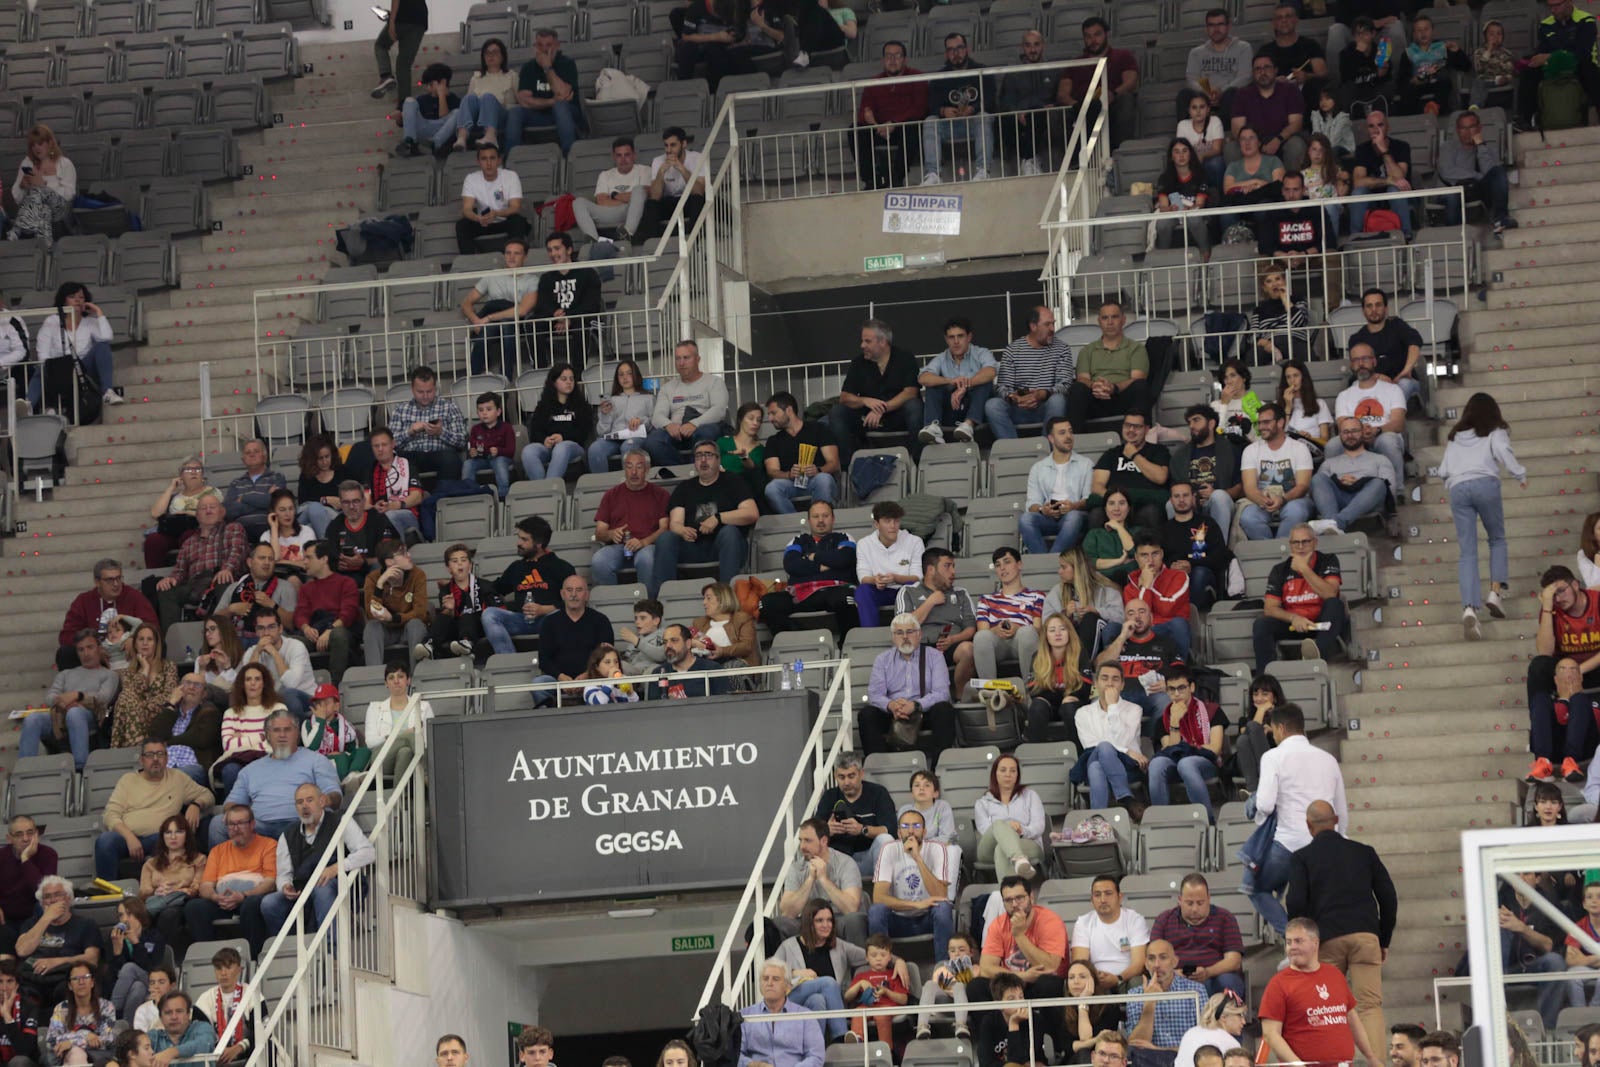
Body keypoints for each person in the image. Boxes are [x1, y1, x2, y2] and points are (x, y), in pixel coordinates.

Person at [1285, 799, 1397, 1044]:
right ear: (1336, 821)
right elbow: (1388, 897)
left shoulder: (1302, 858)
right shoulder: (1364, 852)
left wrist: (1305, 941)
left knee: (1326, 1007)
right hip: (1366, 936)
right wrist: (1383, 938)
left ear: (1308, 825)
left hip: (1326, 941)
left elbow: (1295, 903)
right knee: (1369, 1006)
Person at [1246, 703, 1347, 935]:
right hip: (1325, 846)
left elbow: (1264, 804)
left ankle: (1293, 937)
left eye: (1272, 730)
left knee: (1255, 886)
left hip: (1289, 844)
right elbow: (1340, 809)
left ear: (1280, 728)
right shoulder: (1328, 759)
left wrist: (1259, 818)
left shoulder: (1273, 756)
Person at [248, 783, 375, 953]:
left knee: (322, 888)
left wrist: (336, 868)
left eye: (310, 800)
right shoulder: (288, 834)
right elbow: (284, 874)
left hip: (339, 885)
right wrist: (285, 886)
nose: (304, 806)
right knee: (269, 903)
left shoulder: (340, 820)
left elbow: (368, 852)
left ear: (322, 801)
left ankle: (332, 953)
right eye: (299, 802)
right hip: (303, 890)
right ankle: (292, 951)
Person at [1438, 393, 1525, 641]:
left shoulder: (1455, 436)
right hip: (1485, 483)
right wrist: (1520, 474)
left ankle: (1469, 608)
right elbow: (1503, 452)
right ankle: (1495, 593)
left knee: (1467, 551)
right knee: (1497, 538)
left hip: (1458, 489)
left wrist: (1455, 479)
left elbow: (1443, 470)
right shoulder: (1494, 430)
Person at [212, 710, 343, 848]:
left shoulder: (316, 760)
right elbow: (231, 804)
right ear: (267, 735)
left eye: (287, 730)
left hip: (301, 823)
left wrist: (323, 801)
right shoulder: (250, 770)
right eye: (276, 730)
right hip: (258, 828)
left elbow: (335, 796)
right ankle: (231, 868)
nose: (282, 735)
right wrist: (236, 814)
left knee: (329, 818)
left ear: (297, 733)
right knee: (217, 824)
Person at [1260, 917, 1379, 1067]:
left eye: (1298, 941)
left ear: (1315, 943)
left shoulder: (1334, 975)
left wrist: (1370, 1056)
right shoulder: (1278, 984)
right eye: (1288, 942)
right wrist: (1298, 1065)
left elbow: (1351, 1017)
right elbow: (1270, 1034)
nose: (1292, 947)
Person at [95, 739, 209, 882]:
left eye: (160, 754)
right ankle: (107, 894)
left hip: (159, 837)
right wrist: (130, 837)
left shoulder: (178, 778)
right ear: (142, 759)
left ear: (167, 758)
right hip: (127, 837)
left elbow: (207, 795)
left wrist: (196, 804)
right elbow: (110, 815)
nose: (155, 759)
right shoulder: (128, 780)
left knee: (167, 839)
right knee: (105, 841)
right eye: (150, 755)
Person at [970, 877, 1067, 1043]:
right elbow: (986, 968)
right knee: (976, 986)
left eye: (1019, 898)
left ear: (1031, 897)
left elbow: (1051, 966)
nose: (1014, 904)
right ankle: (995, 1044)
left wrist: (1019, 935)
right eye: (1008, 900)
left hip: (1041, 984)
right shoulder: (998, 925)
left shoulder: (1050, 921)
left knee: (1048, 983)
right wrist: (1021, 976)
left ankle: (1052, 1044)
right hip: (1014, 984)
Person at [653, 441, 758, 593]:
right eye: (699, 456)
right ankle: (665, 597)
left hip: (724, 546)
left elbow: (751, 513)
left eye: (708, 455)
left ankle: (726, 596)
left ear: (718, 460)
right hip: (692, 546)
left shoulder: (733, 481)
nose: (703, 460)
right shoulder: (684, 488)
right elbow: (675, 523)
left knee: (729, 532)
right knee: (666, 538)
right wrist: (682, 530)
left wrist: (718, 518)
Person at [860, 613, 958, 767]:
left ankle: (938, 769)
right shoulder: (882, 660)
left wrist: (916, 705)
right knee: (867, 715)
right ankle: (879, 769)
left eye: (910, 632)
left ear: (919, 635)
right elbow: (875, 694)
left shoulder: (934, 657)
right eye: (899, 633)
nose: (905, 637)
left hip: (923, 711)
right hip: (894, 712)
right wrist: (891, 705)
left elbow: (942, 693)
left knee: (944, 710)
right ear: (893, 637)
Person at [1253, 523, 1347, 671]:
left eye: (1306, 541)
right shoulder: (1279, 570)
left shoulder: (1328, 560)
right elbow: (1270, 608)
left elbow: (1330, 594)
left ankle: (1316, 658)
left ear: (1315, 542)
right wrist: (1294, 618)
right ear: (1290, 545)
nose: (1301, 546)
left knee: (1335, 604)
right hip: (1293, 625)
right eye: (1296, 542)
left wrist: (1304, 569)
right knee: (1261, 623)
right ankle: (1265, 677)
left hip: (1321, 625)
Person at [22, 630, 119, 770]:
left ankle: (80, 767)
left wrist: (77, 696)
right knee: (32, 719)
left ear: (99, 648)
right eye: (81, 649)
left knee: (75, 713)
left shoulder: (109, 675)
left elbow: (103, 698)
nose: (86, 653)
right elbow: (50, 697)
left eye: (90, 647)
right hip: (61, 715)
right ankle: (25, 769)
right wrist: (64, 701)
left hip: (90, 716)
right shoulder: (66, 674)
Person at [154, 491, 248, 635]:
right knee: (165, 590)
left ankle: (223, 636)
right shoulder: (188, 543)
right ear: (197, 515)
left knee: (224, 581)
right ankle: (172, 640)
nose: (208, 510)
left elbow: (237, 552)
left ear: (222, 512)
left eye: (212, 507)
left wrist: (227, 569)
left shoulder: (233, 528)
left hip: (220, 580)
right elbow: (179, 571)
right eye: (203, 508)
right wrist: (171, 579)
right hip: (195, 585)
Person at [828, 319, 922, 462]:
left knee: (914, 406)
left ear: (883, 342)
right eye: (862, 341)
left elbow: (911, 392)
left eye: (867, 341)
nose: (862, 345)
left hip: (898, 416)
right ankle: (849, 466)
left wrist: (882, 408)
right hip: (867, 419)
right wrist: (865, 400)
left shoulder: (905, 358)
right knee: (837, 412)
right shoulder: (858, 363)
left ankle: (918, 461)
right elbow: (845, 397)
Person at [183, 805, 276, 949]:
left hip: (250, 898)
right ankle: (209, 956)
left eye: (241, 823)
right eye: (231, 824)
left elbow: (270, 883)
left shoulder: (269, 845)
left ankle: (253, 956)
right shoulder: (217, 851)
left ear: (252, 824)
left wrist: (243, 895)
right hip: (222, 900)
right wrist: (215, 897)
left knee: (251, 905)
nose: (236, 828)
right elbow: (205, 885)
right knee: (194, 907)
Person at [868, 808, 953, 960]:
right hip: (898, 919)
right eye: (905, 827)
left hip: (927, 918)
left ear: (925, 832)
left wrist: (918, 859)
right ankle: (882, 968)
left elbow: (941, 895)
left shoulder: (937, 849)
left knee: (943, 908)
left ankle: (944, 967)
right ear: (899, 833)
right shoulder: (889, 849)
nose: (911, 831)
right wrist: (917, 904)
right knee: (876, 911)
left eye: (917, 826)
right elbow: (878, 897)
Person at [482, 515, 574, 654]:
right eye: (519, 538)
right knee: (489, 614)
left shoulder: (561, 567)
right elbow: (496, 587)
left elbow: (574, 601)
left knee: (561, 617)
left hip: (549, 620)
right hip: (520, 619)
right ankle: (510, 662)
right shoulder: (516, 567)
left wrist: (544, 609)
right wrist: (465, 581)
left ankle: (554, 661)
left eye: (524, 539)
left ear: (539, 544)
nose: (518, 543)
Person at [895, 549, 978, 701]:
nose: (953, 572)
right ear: (931, 570)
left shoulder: (961, 593)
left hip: (952, 645)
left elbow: (971, 628)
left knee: (968, 649)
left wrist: (953, 639)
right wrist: (930, 602)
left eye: (953, 566)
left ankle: (961, 698)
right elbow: (903, 627)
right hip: (921, 647)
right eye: (947, 566)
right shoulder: (908, 591)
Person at [772, 901, 861, 1042]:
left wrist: (897, 961)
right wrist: (795, 972)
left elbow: (870, 956)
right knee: (828, 983)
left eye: (829, 920)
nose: (826, 925)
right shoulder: (789, 945)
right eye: (820, 920)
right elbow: (770, 974)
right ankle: (841, 1037)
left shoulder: (838, 946)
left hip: (814, 1006)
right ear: (809, 923)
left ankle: (815, 1051)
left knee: (817, 1000)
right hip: (791, 1000)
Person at [1147, 664, 1226, 821]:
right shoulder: (1163, 719)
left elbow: (1215, 749)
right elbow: (1171, 751)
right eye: (1171, 689)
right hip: (1175, 765)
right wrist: (1175, 722)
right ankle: (1160, 822)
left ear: (1192, 687)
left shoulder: (1212, 710)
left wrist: (1186, 749)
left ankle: (1207, 821)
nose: (1177, 694)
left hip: (1205, 764)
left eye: (1181, 688)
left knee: (1186, 763)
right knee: (1156, 764)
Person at [1151, 874, 1246, 1001]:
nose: (1195, 909)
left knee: (1228, 981)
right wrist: (1172, 973)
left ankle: (1227, 1019)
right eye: (1189, 903)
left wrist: (1208, 972)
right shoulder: (1164, 920)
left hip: (1215, 977)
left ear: (1209, 898)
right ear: (1179, 900)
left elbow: (1234, 960)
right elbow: (1152, 956)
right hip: (1175, 979)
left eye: (1200, 903)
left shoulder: (1225, 918)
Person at [1071, 663, 1148, 817]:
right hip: (1100, 754)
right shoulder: (1082, 713)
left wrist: (1113, 707)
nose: (1110, 683)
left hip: (1126, 765)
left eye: (1115, 679)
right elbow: (1091, 745)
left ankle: (1098, 819)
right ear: (1096, 683)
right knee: (1102, 749)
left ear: (1122, 684)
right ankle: (1126, 798)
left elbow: (1124, 739)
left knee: (1096, 767)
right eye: (1104, 678)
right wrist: (1127, 750)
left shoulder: (1134, 709)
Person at [989, 306, 1073, 441]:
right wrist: (1015, 398)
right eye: (1047, 324)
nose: (1052, 329)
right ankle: (1014, 452)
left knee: (1058, 400)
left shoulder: (1062, 349)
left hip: (1046, 408)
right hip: (1018, 408)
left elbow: (1065, 385)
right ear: (1033, 326)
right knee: (992, 405)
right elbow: (1002, 387)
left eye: (1053, 323)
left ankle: (1047, 449)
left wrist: (1042, 394)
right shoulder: (1013, 350)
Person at [590, 450, 670, 591]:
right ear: (624, 469)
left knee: (647, 559)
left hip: (647, 545)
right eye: (629, 466)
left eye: (639, 467)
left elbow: (665, 528)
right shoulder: (611, 495)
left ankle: (649, 606)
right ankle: (611, 606)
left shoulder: (660, 494)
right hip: (620, 547)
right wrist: (611, 534)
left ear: (647, 469)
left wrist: (643, 542)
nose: (633, 472)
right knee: (599, 560)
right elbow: (599, 533)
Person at [1095, 598, 1183, 727]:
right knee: (1097, 701)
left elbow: (1181, 673)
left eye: (1142, 612)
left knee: (1166, 701)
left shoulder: (1166, 642)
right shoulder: (1117, 642)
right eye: (1131, 613)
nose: (1137, 616)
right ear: (1125, 620)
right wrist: (1122, 637)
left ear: (1151, 618)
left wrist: (1168, 684)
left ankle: (1155, 742)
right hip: (1119, 693)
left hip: (1153, 694)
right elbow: (1099, 665)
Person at [35, 281, 118, 416]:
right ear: (64, 300)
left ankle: (108, 392)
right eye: (73, 297)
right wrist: (51, 369)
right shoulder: (52, 321)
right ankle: (33, 405)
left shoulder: (90, 322)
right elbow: (42, 352)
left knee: (102, 346)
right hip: (59, 367)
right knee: (40, 368)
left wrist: (98, 312)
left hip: (83, 367)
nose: (78, 300)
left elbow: (107, 337)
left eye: (81, 297)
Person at [921, 33, 994, 184]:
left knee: (984, 117)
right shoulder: (939, 77)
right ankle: (933, 174)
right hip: (949, 125)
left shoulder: (982, 71)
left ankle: (983, 170)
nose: (956, 53)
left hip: (973, 123)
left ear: (967, 49)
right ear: (946, 53)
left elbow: (992, 100)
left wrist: (973, 109)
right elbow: (930, 105)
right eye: (951, 50)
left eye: (959, 48)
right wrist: (943, 111)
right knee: (930, 121)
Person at [58, 560, 157, 672]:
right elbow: (66, 636)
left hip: (128, 654)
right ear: (97, 582)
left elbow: (152, 626)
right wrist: (94, 648)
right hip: (98, 657)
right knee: (65, 652)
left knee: (155, 644)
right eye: (109, 580)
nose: (116, 584)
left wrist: (134, 640)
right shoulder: (83, 601)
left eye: (118, 578)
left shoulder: (133, 596)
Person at [1066, 302, 1150, 434]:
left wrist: (1113, 388)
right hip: (1095, 399)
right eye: (1105, 318)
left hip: (1123, 398)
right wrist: (1096, 386)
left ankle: (1142, 437)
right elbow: (1082, 379)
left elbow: (1137, 378)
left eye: (1115, 317)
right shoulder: (1087, 351)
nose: (1110, 322)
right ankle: (1075, 441)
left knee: (1141, 386)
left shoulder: (1136, 348)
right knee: (1077, 388)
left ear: (1123, 320)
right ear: (1099, 321)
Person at [777, 821, 864, 946]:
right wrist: (810, 880)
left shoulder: (845, 863)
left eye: (808, 840)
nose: (802, 846)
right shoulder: (797, 868)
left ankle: (860, 964)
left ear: (823, 841)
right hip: (808, 922)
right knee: (780, 923)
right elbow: (788, 912)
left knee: (855, 920)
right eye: (800, 840)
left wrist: (823, 879)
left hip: (837, 919)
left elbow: (851, 908)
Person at [15, 877, 101, 1005]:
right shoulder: (31, 924)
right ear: (41, 902)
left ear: (68, 898)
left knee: (66, 990)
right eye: (47, 897)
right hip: (33, 980)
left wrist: (57, 962)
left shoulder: (86, 924)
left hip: (66, 979)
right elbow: (22, 950)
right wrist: (46, 919)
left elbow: (92, 959)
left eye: (58, 895)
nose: (52, 900)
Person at [1237, 402, 1313, 542]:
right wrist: (1262, 500)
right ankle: (1272, 551)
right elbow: (1249, 487)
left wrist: (1283, 499)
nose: (1261, 427)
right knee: (1248, 517)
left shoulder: (1299, 448)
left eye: (1266, 422)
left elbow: (1302, 486)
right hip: (1263, 501)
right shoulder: (1251, 450)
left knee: (1296, 512)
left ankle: (1280, 551)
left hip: (1293, 500)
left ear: (1280, 422)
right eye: (1259, 423)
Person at [643, 340, 728, 465]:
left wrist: (694, 424)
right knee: (652, 442)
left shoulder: (714, 382)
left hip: (702, 427)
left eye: (686, 358)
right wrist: (669, 425)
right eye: (678, 359)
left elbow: (719, 410)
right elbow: (657, 416)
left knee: (706, 433)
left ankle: (696, 472)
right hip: (675, 431)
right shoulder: (668, 388)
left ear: (698, 359)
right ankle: (681, 471)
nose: (681, 363)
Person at [813, 753, 896, 880]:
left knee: (885, 839)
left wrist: (862, 829)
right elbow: (813, 832)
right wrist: (827, 830)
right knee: (814, 843)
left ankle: (882, 891)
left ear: (861, 774)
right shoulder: (829, 796)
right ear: (835, 776)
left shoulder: (878, 793)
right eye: (841, 777)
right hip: (838, 860)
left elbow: (891, 830)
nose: (846, 782)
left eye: (851, 776)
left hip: (869, 856)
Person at [460, 241, 538, 377]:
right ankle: (474, 377)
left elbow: (522, 310)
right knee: (485, 332)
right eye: (508, 253)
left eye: (517, 253)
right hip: (492, 322)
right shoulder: (492, 275)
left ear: (525, 256)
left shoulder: (532, 280)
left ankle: (505, 377)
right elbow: (466, 302)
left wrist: (489, 317)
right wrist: (476, 320)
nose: (511, 257)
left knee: (507, 324)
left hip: (516, 322)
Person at [855, 41, 926, 190]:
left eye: (897, 56)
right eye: (888, 56)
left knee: (912, 127)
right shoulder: (874, 82)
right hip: (880, 128)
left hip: (903, 127)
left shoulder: (916, 77)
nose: (892, 60)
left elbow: (920, 108)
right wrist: (870, 119)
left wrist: (895, 122)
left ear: (904, 59)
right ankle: (871, 180)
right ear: (883, 60)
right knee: (855, 130)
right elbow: (863, 112)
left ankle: (897, 178)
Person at [1124, 939, 1206, 1067]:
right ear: (1145, 964)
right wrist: (1149, 1003)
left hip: (1187, 1061)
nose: (1157, 964)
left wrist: (1159, 1051)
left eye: (1163, 958)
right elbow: (1136, 1046)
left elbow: (1204, 1044)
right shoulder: (1134, 994)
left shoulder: (1196, 991)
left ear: (1174, 962)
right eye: (1151, 959)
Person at [1311, 416, 1398, 534]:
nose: (1350, 435)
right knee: (1318, 478)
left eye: (1354, 431)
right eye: (1345, 432)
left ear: (1362, 432)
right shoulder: (1329, 463)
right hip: (1340, 499)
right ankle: (1333, 524)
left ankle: (1335, 523)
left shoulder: (1380, 459)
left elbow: (1390, 490)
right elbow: (1319, 492)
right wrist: (1339, 482)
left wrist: (1359, 483)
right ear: (1339, 436)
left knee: (1379, 483)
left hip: (1368, 501)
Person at [1020, 417, 1094, 555]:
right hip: (1047, 517)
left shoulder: (1086, 464)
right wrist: (1043, 509)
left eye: (1070, 432)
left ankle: (1053, 562)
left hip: (1073, 516)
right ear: (1051, 438)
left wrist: (1073, 506)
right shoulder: (1038, 468)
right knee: (1026, 519)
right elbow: (1032, 504)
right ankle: (1044, 562)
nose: (1068, 436)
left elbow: (1089, 499)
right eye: (1062, 433)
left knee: (1074, 517)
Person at [918, 317, 997, 445]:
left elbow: (990, 372)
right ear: (946, 339)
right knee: (933, 384)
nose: (956, 341)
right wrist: (952, 381)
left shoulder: (981, 353)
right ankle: (934, 428)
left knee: (984, 383)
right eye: (951, 337)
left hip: (976, 408)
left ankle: (968, 424)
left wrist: (965, 385)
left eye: (960, 336)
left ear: (969, 337)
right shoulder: (941, 358)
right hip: (953, 408)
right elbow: (923, 378)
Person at [535, 576, 616, 698]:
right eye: (569, 590)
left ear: (587, 595)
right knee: (538, 684)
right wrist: (561, 677)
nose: (573, 594)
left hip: (593, 679)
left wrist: (587, 675)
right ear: (562, 594)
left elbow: (607, 656)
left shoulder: (600, 621)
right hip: (559, 680)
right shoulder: (549, 622)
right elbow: (544, 659)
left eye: (579, 590)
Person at [1089, 412, 1170, 534]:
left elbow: (1161, 477)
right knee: (1096, 514)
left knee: (1152, 512)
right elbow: (1097, 486)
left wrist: (1134, 455)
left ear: (1147, 429)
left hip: (1144, 507)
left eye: (1137, 427)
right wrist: (1117, 502)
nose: (1131, 430)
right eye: (1127, 425)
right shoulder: (1111, 454)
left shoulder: (1158, 451)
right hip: (1116, 508)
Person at [529, 236, 605, 366]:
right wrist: (555, 315)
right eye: (550, 250)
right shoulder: (546, 278)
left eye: (557, 249)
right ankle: (540, 370)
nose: (553, 254)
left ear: (569, 250)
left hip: (581, 318)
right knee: (532, 324)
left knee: (580, 325)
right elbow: (541, 305)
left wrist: (569, 318)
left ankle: (578, 373)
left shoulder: (587, 273)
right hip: (556, 320)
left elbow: (592, 304)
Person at [974, 548, 1044, 681]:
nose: (1002, 568)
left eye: (1007, 562)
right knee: (982, 637)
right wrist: (995, 630)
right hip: (997, 643)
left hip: (1023, 641)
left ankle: (1031, 688)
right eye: (998, 565)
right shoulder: (986, 599)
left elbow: (1038, 629)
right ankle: (990, 692)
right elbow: (982, 630)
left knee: (1028, 632)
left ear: (1019, 564)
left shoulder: (1036, 596)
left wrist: (1018, 628)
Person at [389, 365, 467, 485]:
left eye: (429, 391)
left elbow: (462, 441)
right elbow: (389, 445)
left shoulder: (449, 407)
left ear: (435, 388)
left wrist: (441, 432)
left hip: (440, 453)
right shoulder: (400, 410)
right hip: (411, 454)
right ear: (412, 389)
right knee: (398, 462)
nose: (425, 396)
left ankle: (443, 496)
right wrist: (410, 431)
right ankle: (409, 498)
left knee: (451, 459)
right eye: (420, 392)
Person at [1071, 875, 1150, 993]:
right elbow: (1080, 963)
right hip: (1096, 981)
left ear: (1119, 897)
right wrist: (1096, 977)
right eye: (1097, 895)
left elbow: (1139, 964)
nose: (1103, 899)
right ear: (1091, 900)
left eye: (1108, 893)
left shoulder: (1135, 920)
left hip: (1126, 980)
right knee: (1079, 981)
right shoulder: (1083, 923)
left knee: (1138, 982)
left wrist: (1118, 978)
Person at [974, 753, 1046, 881]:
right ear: (995, 774)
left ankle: (1007, 897)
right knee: (998, 825)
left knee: (1001, 849)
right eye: (1003, 770)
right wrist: (1008, 828)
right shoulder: (982, 803)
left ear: (1017, 775)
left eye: (1013, 770)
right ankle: (1019, 859)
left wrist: (1022, 830)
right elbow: (985, 831)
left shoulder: (1030, 796)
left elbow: (1039, 826)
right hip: (988, 849)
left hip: (1027, 843)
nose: (1008, 774)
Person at [737, 962, 824, 1067]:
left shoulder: (805, 1017)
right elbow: (735, 1054)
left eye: (776, 979)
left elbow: (816, 1055)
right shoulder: (745, 1016)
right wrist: (753, 1064)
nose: (769, 983)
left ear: (787, 987)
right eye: (765, 979)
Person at [360, 539, 430, 671]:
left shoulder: (418, 575)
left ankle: (417, 677)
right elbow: (371, 614)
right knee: (372, 627)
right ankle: (375, 679)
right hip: (385, 631)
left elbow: (420, 612)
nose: (409, 555)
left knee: (416, 624)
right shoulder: (372, 578)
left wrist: (394, 618)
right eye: (403, 553)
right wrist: (379, 585)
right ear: (389, 562)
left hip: (408, 628)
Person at [137, 816, 203, 954]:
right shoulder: (150, 863)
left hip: (181, 902)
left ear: (187, 835)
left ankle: (162, 957)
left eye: (178, 832)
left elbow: (198, 886)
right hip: (156, 901)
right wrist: (156, 891)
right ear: (162, 836)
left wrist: (178, 890)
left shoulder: (199, 859)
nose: (173, 837)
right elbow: (143, 891)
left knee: (168, 915)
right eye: (168, 832)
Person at [520, 360, 594, 482]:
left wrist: (563, 437)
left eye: (571, 379)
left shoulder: (581, 405)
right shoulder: (543, 406)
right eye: (564, 379)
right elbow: (535, 431)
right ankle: (541, 488)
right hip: (548, 447)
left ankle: (549, 488)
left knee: (562, 447)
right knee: (528, 451)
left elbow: (583, 433)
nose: (569, 382)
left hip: (573, 447)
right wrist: (545, 440)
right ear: (554, 382)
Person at [854, 501, 924, 628]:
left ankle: (908, 632)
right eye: (887, 521)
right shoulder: (864, 544)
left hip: (904, 589)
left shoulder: (914, 541)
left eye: (896, 521)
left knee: (913, 587)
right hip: (880, 591)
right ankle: (870, 636)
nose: (893, 526)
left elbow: (918, 577)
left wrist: (896, 578)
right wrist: (875, 580)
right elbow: (863, 577)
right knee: (863, 591)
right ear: (876, 524)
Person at [1162, 483, 1229, 612]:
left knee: (1199, 573)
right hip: (1173, 576)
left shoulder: (1207, 523)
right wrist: (1170, 565)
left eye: (1185, 495)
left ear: (1193, 497)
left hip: (1203, 574)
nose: (1181, 500)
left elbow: (1220, 555)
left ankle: (1189, 614)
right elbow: (1159, 556)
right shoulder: (1164, 529)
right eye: (1177, 496)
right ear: (1171, 500)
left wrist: (1191, 564)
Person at [111, 624, 178, 750]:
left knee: (126, 699)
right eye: (141, 639)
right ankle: (137, 745)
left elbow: (168, 696)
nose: (145, 643)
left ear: (156, 644)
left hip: (159, 718)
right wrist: (145, 670)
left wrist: (141, 708)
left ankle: (128, 749)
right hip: (134, 719)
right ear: (135, 644)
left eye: (149, 639)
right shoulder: (127, 672)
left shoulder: (169, 667)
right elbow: (129, 696)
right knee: (125, 696)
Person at [1025, 611, 1088, 744]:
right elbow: (1034, 691)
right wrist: (1063, 693)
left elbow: (1085, 688)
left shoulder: (1080, 654)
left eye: (1062, 629)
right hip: (1048, 705)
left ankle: (1079, 754)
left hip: (1073, 703)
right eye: (1052, 630)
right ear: (1046, 636)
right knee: (1037, 706)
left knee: (1069, 706)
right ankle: (1035, 754)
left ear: (1069, 632)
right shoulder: (1037, 656)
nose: (1057, 634)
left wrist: (1065, 696)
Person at [455, 143, 530, 255]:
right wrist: (477, 218)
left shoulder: (511, 176)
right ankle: (469, 264)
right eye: (484, 159)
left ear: (499, 161)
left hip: (505, 219)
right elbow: (466, 209)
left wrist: (496, 213)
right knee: (462, 225)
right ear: (478, 162)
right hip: (482, 222)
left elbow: (515, 207)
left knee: (518, 221)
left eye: (492, 158)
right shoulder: (471, 178)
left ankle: (516, 259)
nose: (488, 163)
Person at [1124, 537, 1192, 659]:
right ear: (1136, 557)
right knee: (1112, 628)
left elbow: (1167, 609)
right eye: (1144, 555)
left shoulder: (1179, 576)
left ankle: (1181, 670)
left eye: (1155, 554)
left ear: (1162, 554)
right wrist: (1146, 586)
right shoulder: (1131, 585)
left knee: (1178, 624)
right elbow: (1138, 616)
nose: (1150, 560)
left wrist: (1147, 586)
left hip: (1168, 629)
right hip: (1140, 632)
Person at [1180, 9, 1253, 121]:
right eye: (1211, 25)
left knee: (1232, 93)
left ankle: (1226, 134)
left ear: (1228, 26)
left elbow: (1245, 77)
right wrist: (1207, 93)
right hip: (1204, 97)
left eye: (1220, 24)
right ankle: (1186, 135)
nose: (1216, 29)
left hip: (1230, 96)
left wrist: (1221, 92)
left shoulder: (1243, 48)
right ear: (1207, 28)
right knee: (1184, 94)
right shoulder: (1196, 53)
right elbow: (1191, 80)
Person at [573, 137, 648, 246]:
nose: (623, 159)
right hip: (609, 212)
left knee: (639, 190)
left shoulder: (644, 170)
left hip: (631, 212)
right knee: (578, 202)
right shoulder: (605, 175)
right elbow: (601, 201)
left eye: (627, 155)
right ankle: (593, 240)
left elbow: (645, 194)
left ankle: (627, 234)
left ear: (634, 155)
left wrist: (613, 196)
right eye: (619, 155)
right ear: (613, 157)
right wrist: (627, 199)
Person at [365, 663, 434, 779]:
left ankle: (399, 797)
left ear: (408, 680)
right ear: (386, 683)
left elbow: (431, 739)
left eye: (400, 676)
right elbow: (370, 742)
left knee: (405, 752)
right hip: (382, 758)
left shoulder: (423, 706)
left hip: (412, 756)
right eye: (391, 677)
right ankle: (429, 775)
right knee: (411, 735)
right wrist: (401, 735)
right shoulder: (375, 708)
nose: (396, 681)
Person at [587, 359, 655, 474]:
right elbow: (601, 432)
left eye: (629, 373)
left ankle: (628, 487)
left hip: (635, 435)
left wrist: (641, 421)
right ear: (617, 378)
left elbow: (654, 422)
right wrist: (604, 415)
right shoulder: (611, 400)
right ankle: (601, 488)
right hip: (614, 438)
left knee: (627, 447)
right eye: (621, 374)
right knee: (595, 448)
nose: (625, 377)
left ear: (636, 375)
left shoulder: (648, 397)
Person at [637, 127, 706, 241]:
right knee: (650, 205)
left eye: (673, 145)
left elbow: (699, 191)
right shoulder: (658, 161)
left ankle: (696, 240)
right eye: (666, 145)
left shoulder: (697, 158)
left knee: (698, 200)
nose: (669, 150)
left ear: (683, 144)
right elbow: (655, 196)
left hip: (689, 201)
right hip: (669, 201)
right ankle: (652, 244)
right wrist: (660, 173)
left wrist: (682, 169)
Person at [143, 458, 212, 570]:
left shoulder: (211, 492)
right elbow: (155, 513)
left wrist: (187, 513)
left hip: (198, 529)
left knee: (188, 537)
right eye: (188, 470)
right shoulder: (175, 497)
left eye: (197, 469)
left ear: (202, 475)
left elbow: (214, 513)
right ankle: (155, 579)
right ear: (181, 476)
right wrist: (171, 488)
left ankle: (189, 575)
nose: (193, 472)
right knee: (153, 540)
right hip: (173, 531)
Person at [106, 898, 163, 1024]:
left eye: (129, 914)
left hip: (153, 980)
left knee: (129, 967)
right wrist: (117, 952)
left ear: (139, 915)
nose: (125, 919)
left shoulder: (154, 936)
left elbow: (153, 967)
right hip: (132, 987)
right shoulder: (115, 938)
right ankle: (127, 1028)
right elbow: (114, 976)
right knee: (138, 988)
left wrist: (136, 944)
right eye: (121, 915)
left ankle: (109, 1013)